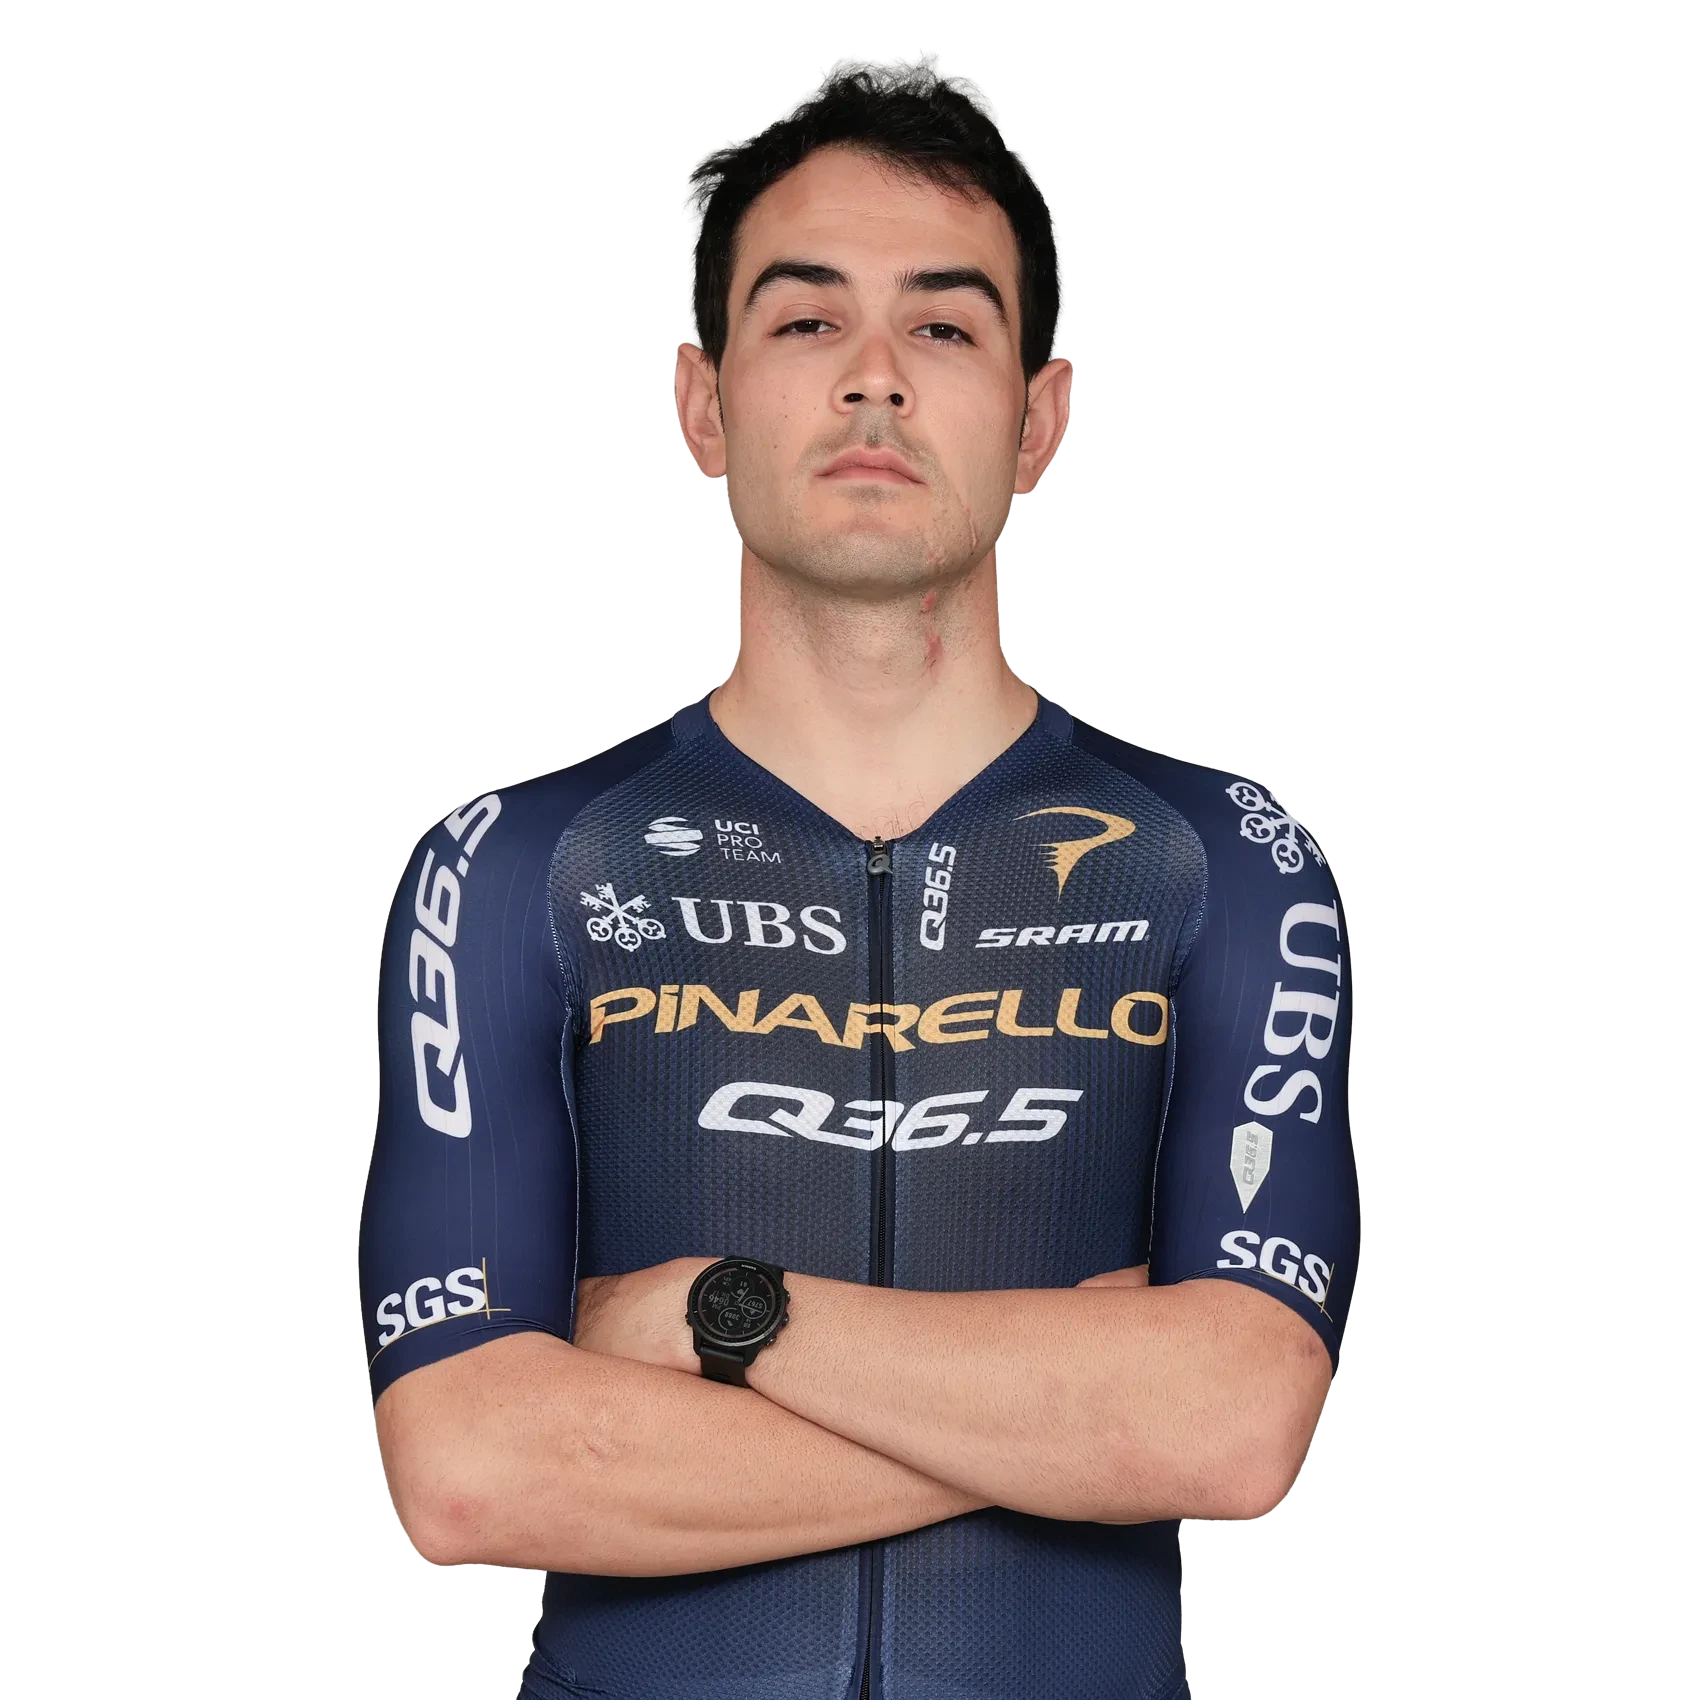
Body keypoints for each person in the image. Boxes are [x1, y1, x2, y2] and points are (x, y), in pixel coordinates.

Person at [361, 50, 1355, 1700]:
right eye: (809, 320)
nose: (875, 379)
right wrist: (1078, 1413)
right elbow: (468, 1471)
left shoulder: (1226, 860)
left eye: (946, 328)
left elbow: (1234, 1428)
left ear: (1041, 417)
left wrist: (715, 1315)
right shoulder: (517, 864)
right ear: (702, 404)